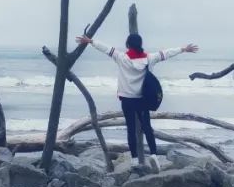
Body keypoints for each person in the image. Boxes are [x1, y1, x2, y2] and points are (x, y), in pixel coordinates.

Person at [75, 33, 198, 173]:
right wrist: (183, 49)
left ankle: (134, 160)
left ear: (128, 44)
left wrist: (90, 41)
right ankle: (153, 155)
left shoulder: (121, 58)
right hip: (142, 99)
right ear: (141, 44)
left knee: (131, 129)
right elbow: (166, 53)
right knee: (147, 127)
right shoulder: (150, 58)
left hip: (127, 99)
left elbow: (106, 48)